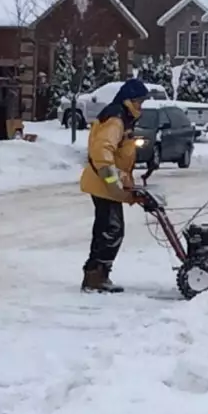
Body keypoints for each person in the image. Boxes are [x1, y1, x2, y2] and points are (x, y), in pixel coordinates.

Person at [79, 78, 150, 293]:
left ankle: (97, 274)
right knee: (110, 230)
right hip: (103, 181)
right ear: (128, 100)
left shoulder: (123, 118)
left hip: (107, 182)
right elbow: (102, 151)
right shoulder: (116, 119)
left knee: (108, 229)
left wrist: (127, 186)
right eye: (139, 101)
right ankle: (95, 277)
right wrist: (112, 183)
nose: (141, 106)